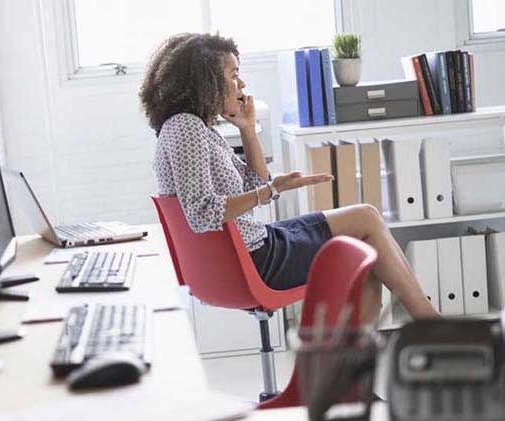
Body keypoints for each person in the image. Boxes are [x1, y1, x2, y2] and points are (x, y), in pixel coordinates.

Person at [140, 33, 440, 323]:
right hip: (254, 261)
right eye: (233, 74)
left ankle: (382, 352)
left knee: (365, 243)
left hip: (255, 244)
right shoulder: (185, 128)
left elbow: (254, 184)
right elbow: (203, 214)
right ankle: (431, 327)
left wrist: (248, 129)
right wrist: (270, 191)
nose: (241, 83)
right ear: (205, 80)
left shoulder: (198, 128)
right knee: (366, 223)